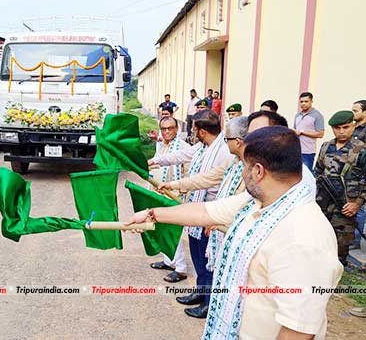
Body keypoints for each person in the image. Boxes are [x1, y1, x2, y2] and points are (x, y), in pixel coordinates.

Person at [127, 126, 343, 339]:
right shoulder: (260, 202)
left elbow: (299, 329)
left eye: (244, 166)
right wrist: (151, 213)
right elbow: (205, 212)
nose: (241, 172)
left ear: (258, 171)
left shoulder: (303, 238)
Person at [150, 110, 231, 319]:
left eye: (194, 129)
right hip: (197, 208)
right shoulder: (203, 147)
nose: (192, 132)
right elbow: (181, 156)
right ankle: (200, 291)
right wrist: (155, 161)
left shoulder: (223, 151)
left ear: (202, 131)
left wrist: (213, 218)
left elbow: (213, 182)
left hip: (211, 211)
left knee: (209, 259)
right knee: (197, 255)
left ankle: (208, 302)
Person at [159, 116, 248, 275]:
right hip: (203, 210)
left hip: (216, 215)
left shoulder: (227, 154)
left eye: (227, 139)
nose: (225, 141)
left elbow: (237, 197)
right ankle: (201, 292)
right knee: (199, 258)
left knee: (211, 263)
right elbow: (207, 177)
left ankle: (207, 296)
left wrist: (215, 216)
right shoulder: (214, 152)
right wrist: (174, 185)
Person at [314, 110, 366, 266]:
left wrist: (357, 203)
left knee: (341, 242)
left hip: (345, 204)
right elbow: (318, 171)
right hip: (323, 202)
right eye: (337, 128)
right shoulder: (325, 147)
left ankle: (339, 267)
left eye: (346, 127)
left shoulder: (361, 150)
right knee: (320, 236)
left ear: (353, 126)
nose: (342, 131)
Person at [149, 116, 189, 283]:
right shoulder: (161, 145)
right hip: (159, 193)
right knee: (161, 229)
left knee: (174, 232)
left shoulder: (184, 148)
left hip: (175, 195)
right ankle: (168, 261)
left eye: (170, 128)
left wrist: (182, 193)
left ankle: (180, 268)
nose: (167, 132)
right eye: (164, 129)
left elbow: (189, 173)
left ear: (177, 129)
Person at [294, 92, 324, 171]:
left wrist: (302, 132)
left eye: (306, 101)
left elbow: (321, 134)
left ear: (311, 101)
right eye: (301, 101)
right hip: (296, 150)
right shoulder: (297, 115)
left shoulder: (317, 115)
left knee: (306, 175)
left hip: (308, 152)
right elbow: (295, 131)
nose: (303, 104)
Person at [351, 99, 366, 248]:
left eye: (356, 110)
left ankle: (355, 240)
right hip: (351, 174)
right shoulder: (354, 128)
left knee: (360, 207)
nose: (353, 113)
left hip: (362, 173)